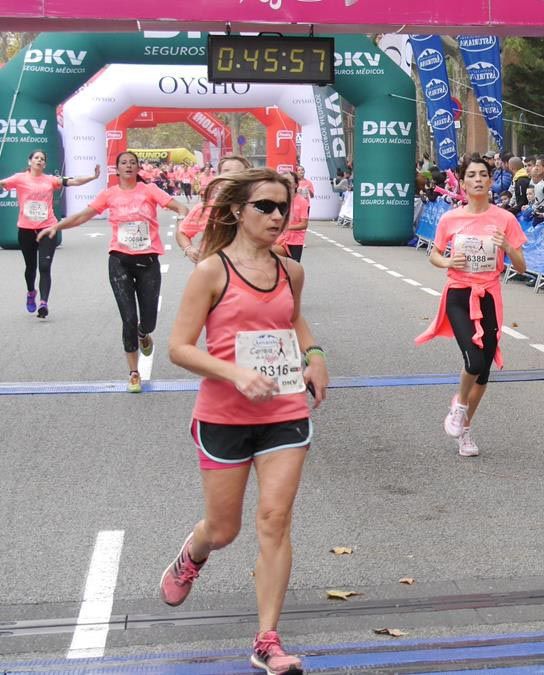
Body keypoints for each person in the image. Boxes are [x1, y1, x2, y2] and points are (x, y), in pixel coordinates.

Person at [160, 167, 328, 675]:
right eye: (265, 207)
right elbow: (179, 347)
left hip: (284, 410)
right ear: (237, 211)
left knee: (275, 520)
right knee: (224, 529)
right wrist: (234, 373)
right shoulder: (212, 271)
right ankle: (195, 552)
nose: (278, 216)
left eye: (283, 207)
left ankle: (267, 639)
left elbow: (292, 319)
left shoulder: (291, 270)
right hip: (224, 416)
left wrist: (315, 355)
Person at [40, 151, 189, 392]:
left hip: (148, 261)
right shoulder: (109, 194)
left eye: (132, 163)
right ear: (117, 169)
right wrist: (57, 226)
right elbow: (83, 216)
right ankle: (133, 372)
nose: (128, 166)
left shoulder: (149, 190)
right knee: (128, 318)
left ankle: (144, 333)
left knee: (148, 320)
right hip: (119, 260)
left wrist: (182, 216)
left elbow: (179, 206)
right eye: (124, 163)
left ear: (138, 168)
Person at [415, 155, 527, 457]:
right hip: (459, 294)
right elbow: (434, 254)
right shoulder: (450, 219)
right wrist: (448, 261)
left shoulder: (505, 219)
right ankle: (460, 405)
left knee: (483, 372)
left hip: (489, 295)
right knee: (474, 362)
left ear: (490, 181)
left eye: (483, 175)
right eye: (472, 175)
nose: (478, 179)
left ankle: (464, 429)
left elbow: (521, 267)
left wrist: (507, 247)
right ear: (463, 184)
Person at [2, 151, 100, 318]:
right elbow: (3, 183)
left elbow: (74, 181)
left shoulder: (50, 180)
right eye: (36, 158)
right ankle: (31, 292)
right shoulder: (19, 178)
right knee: (30, 268)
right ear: (30, 162)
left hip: (48, 228)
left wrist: (92, 177)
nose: (39, 160)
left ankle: (43, 303)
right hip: (26, 230)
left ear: (45, 164)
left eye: (42, 159)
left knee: (45, 267)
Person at [177, 156, 254, 263]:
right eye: (226, 171)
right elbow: (182, 233)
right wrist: (188, 249)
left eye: (238, 173)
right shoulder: (204, 208)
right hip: (212, 267)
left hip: (248, 267)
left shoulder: (258, 207)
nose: (231, 176)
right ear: (219, 177)